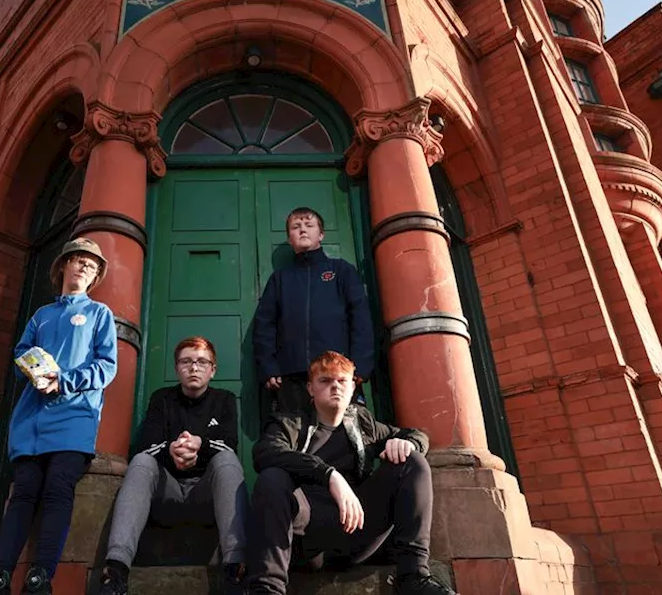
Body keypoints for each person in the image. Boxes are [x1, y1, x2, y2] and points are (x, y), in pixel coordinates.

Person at [245, 351, 456, 595]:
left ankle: (413, 576)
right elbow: (265, 453)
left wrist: (409, 443)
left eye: (342, 381)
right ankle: (266, 589)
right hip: (303, 539)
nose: (335, 387)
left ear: (352, 387)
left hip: (354, 535)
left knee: (412, 461)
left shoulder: (362, 423)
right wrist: (329, 475)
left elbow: (416, 434)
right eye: (325, 381)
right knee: (273, 478)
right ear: (310, 388)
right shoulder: (289, 423)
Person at [0, 237, 118, 595]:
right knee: (24, 492)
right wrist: (32, 371)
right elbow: (20, 354)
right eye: (77, 260)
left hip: (75, 416)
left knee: (59, 490)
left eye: (91, 266)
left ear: (95, 277)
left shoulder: (99, 314)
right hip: (31, 419)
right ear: (63, 266)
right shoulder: (41, 315)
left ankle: (40, 576)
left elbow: (106, 367)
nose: (83, 267)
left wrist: (65, 381)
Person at [97, 336, 247, 595]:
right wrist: (172, 449)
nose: (194, 367)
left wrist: (200, 444)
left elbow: (229, 444)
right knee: (142, 461)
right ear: (177, 368)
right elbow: (146, 444)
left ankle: (236, 570)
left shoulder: (224, 399)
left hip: (206, 494)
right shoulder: (162, 398)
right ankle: (116, 571)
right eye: (186, 361)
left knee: (227, 460)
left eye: (202, 362)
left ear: (213, 369)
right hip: (168, 489)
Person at [251, 207, 374, 415]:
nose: (302, 230)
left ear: (321, 234)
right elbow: (265, 325)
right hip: (291, 376)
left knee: (343, 436)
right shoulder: (280, 278)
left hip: (338, 373)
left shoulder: (341, 270)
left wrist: (360, 365)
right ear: (290, 238)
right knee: (294, 437)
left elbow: (361, 319)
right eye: (295, 227)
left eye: (309, 225)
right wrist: (268, 367)